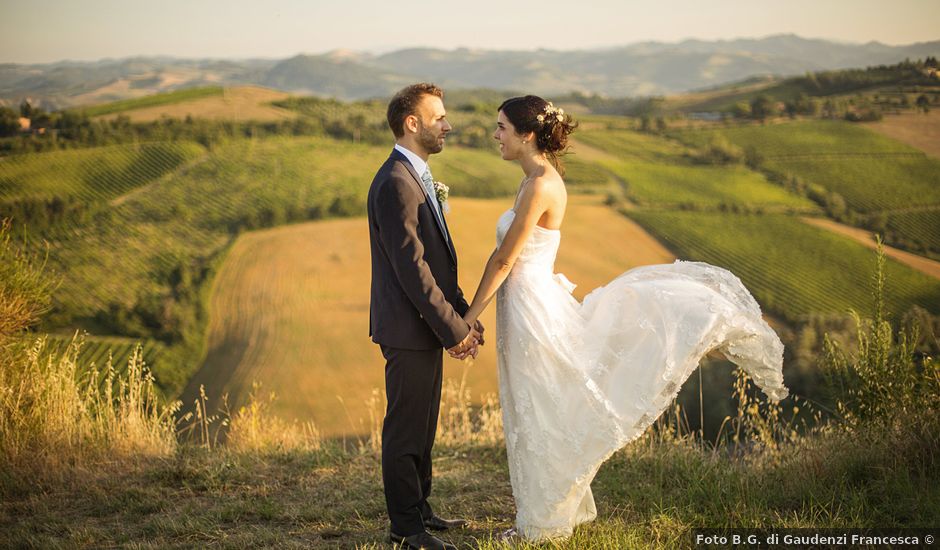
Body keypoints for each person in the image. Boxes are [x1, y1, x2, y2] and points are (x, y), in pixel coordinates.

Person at [460, 95, 790, 541]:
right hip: (522, 305)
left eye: (501, 127)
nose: (494, 135)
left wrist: (467, 316)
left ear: (528, 134)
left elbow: (504, 260)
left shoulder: (540, 185)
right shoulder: (531, 181)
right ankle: (543, 515)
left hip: (532, 310)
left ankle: (542, 526)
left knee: (542, 407)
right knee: (531, 406)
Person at [367, 83, 483, 550]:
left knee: (423, 427)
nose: (447, 125)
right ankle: (406, 529)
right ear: (411, 124)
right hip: (407, 328)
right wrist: (454, 331)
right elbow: (412, 272)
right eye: (438, 117)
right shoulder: (397, 182)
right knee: (405, 429)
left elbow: (437, 262)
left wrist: (461, 316)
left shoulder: (415, 176)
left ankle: (421, 509)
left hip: (423, 327)